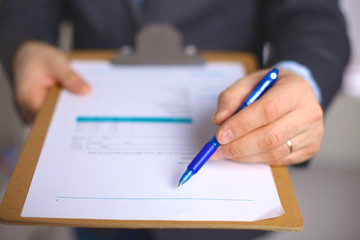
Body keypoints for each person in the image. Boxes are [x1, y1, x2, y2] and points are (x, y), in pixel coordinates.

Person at [0, 0, 350, 239]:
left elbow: (313, 12)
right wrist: (24, 44)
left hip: (223, 224)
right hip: (90, 192)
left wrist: (299, 77)